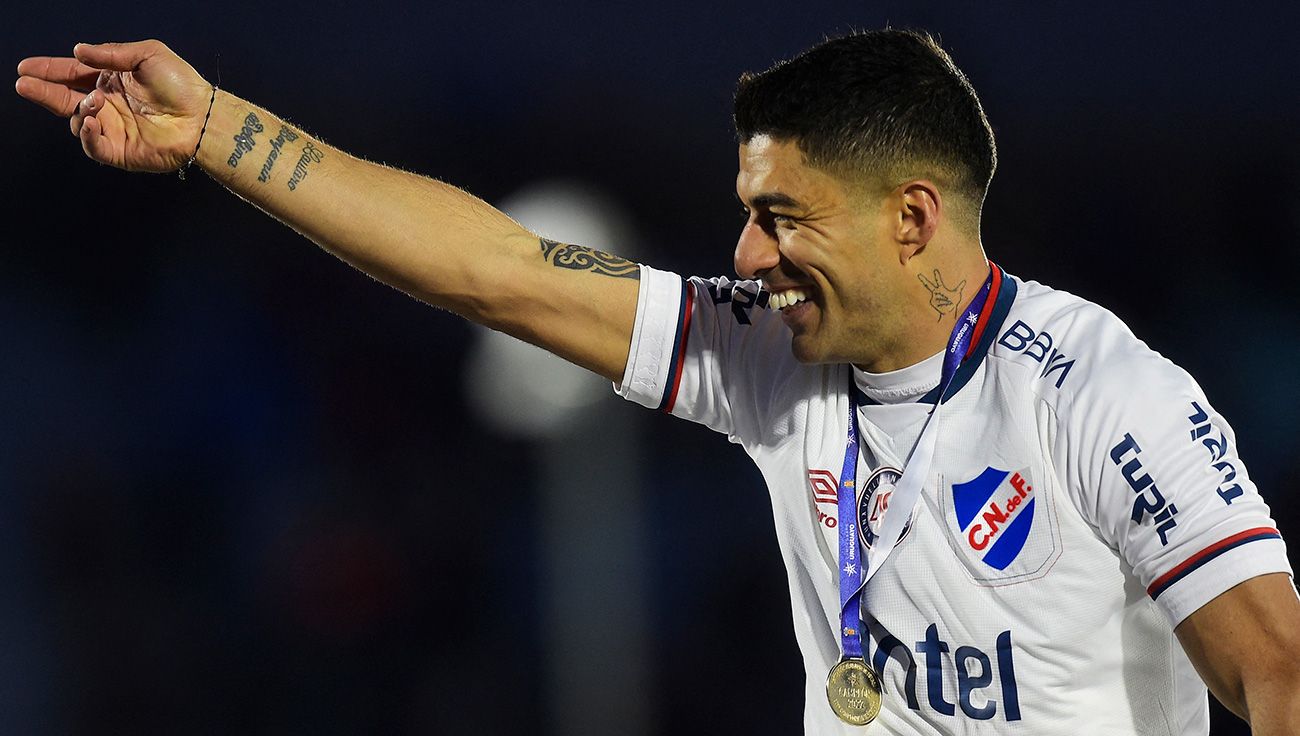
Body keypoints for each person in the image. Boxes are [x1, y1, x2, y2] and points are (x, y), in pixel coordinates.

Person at [15, 29, 1300, 734]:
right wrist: (224, 134)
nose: (744, 255)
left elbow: (1275, 670)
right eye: (747, 213)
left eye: (783, 217)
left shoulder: (1103, 394)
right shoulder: (764, 355)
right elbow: (497, 269)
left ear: (911, 219)